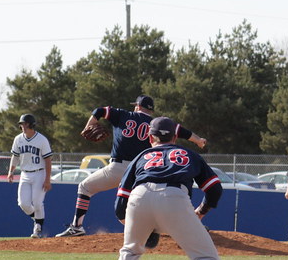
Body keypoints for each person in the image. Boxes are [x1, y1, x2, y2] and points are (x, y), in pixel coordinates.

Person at [106, 116, 224, 260]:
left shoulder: (141, 155)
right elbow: (214, 189)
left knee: (130, 251)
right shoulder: (189, 153)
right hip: (174, 197)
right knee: (208, 258)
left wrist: (129, 221)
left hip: (139, 197)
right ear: (176, 136)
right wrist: (201, 211)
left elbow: (121, 199)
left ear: (150, 137)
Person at [56, 94, 208, 244]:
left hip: (117, 169)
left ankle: (76, 227)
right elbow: (182, 131)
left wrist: (88, 125)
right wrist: (199, 140)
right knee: (153, 203)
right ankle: (189, 226)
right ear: (151, 110)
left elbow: (99, 110)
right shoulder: (156, 123)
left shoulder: (123, 115)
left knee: (85, 188)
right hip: (142, 172)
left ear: (137, 106)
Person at [9, 113, 53, 238]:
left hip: (39, 173)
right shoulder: (18, 139)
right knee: (23, 204)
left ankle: (38, 229)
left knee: (38, 203)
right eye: (22, 124)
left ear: (31, 124)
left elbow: (48, 160)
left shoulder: (42, 139)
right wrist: (10, 171)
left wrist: (47, 179)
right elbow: (15, 156)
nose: (23, 126)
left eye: (25, 123)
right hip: (25, 174)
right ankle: (39, 220)